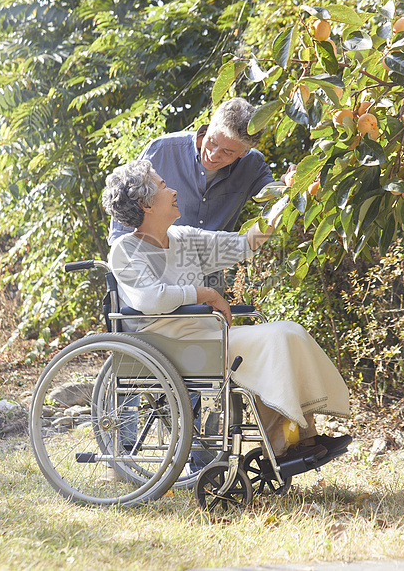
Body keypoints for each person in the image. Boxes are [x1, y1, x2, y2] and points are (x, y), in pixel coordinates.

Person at [102, 159, 352, 459]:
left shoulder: (184, 238)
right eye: (164, 186)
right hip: (172, 345)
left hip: (209, 337)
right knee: (277, 339)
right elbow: (149, 300)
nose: (174, 191)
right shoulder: (125, 250)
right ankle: (285, 444)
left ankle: (301, 438)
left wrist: (286, 196)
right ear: (146, 204)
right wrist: (204, 293)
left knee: (288, 333)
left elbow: (248, 243)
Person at [108, 97, 277, 292]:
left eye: (227, 152)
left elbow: (272, 205)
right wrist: (131, 279)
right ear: (208, 125)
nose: (213, 155)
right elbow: (122, 227)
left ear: (244, 152)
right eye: (212, 142)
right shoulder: (162, 151)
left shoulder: (252, 165)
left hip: (209, 289)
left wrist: (293, 185)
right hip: (150, 281)